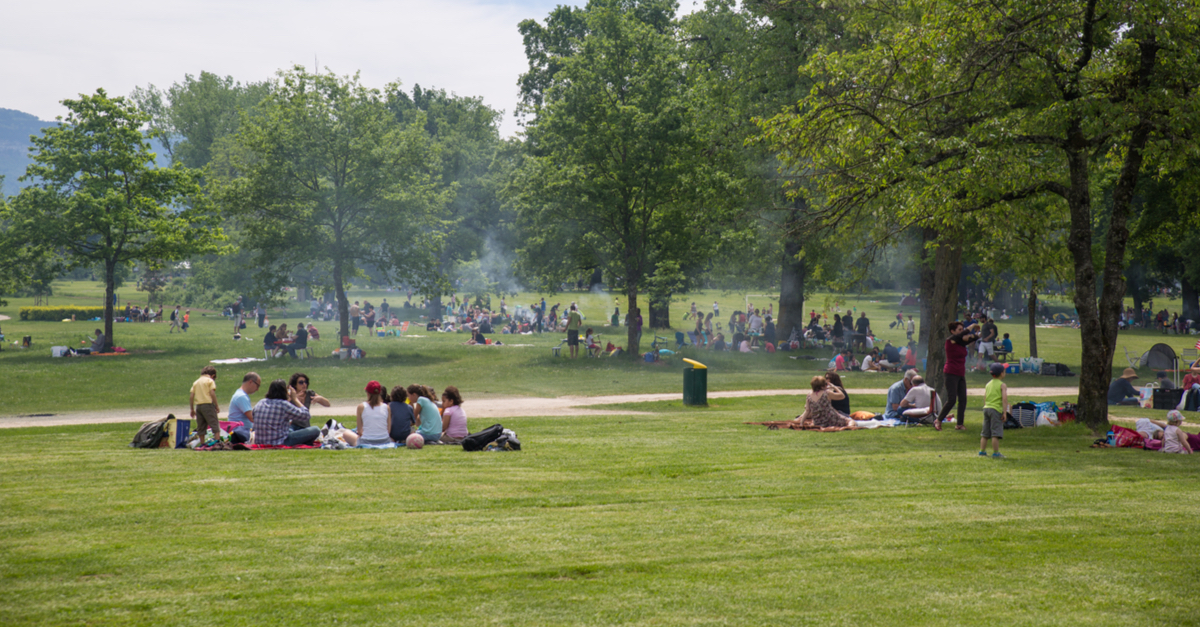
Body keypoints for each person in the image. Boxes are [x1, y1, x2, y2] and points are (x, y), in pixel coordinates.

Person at [934, 321, 979, 431]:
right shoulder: (950, 340)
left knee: (963, 399)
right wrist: (972, 326)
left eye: (962, 329)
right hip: (950, 373)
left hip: (960, 373)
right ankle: (938, 420)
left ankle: (959, 424)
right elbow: (963, 335)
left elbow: (974, 338)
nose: (962, 332)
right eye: (959, 330)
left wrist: (978, 333)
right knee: (952, 399)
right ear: (953, 332)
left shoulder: (961, 343)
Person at [253, 380, 320, 446]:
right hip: (280, 441)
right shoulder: (283, 405)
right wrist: (295, 399)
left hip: (260, 441)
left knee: (290, 429)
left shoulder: (260, 402)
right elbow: (306, 415)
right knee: (315, 430)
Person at [978, 363, 1009, 458]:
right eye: (1004, 371)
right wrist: (1004, 412)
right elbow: (1004, 399)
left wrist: (986, 406)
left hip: (986, 408)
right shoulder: (1002, 385)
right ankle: (996, 453)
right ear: (1001, 373)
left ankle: (982, 451)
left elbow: (985, 397)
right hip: (996, 410)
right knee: (996, 433)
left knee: (985, 433)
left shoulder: (988, 384)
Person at [356, 381, 393, 447]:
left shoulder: (361, 407)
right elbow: (388, 430)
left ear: (368, 393)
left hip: (366, 441)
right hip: (384, 440)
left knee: (346, 434)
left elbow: (359, 431)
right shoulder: (386, 407)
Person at [189, 366, 220, 441]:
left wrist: (192, 409)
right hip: (208, 405)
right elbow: (212, 393)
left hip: (198, 407)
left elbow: (191, 396)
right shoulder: (210, 381)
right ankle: (217, 442)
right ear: (213, 376)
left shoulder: (196, 382)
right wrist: (216, 405)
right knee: (215, 425)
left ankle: (202, 444)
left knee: (201, 427)